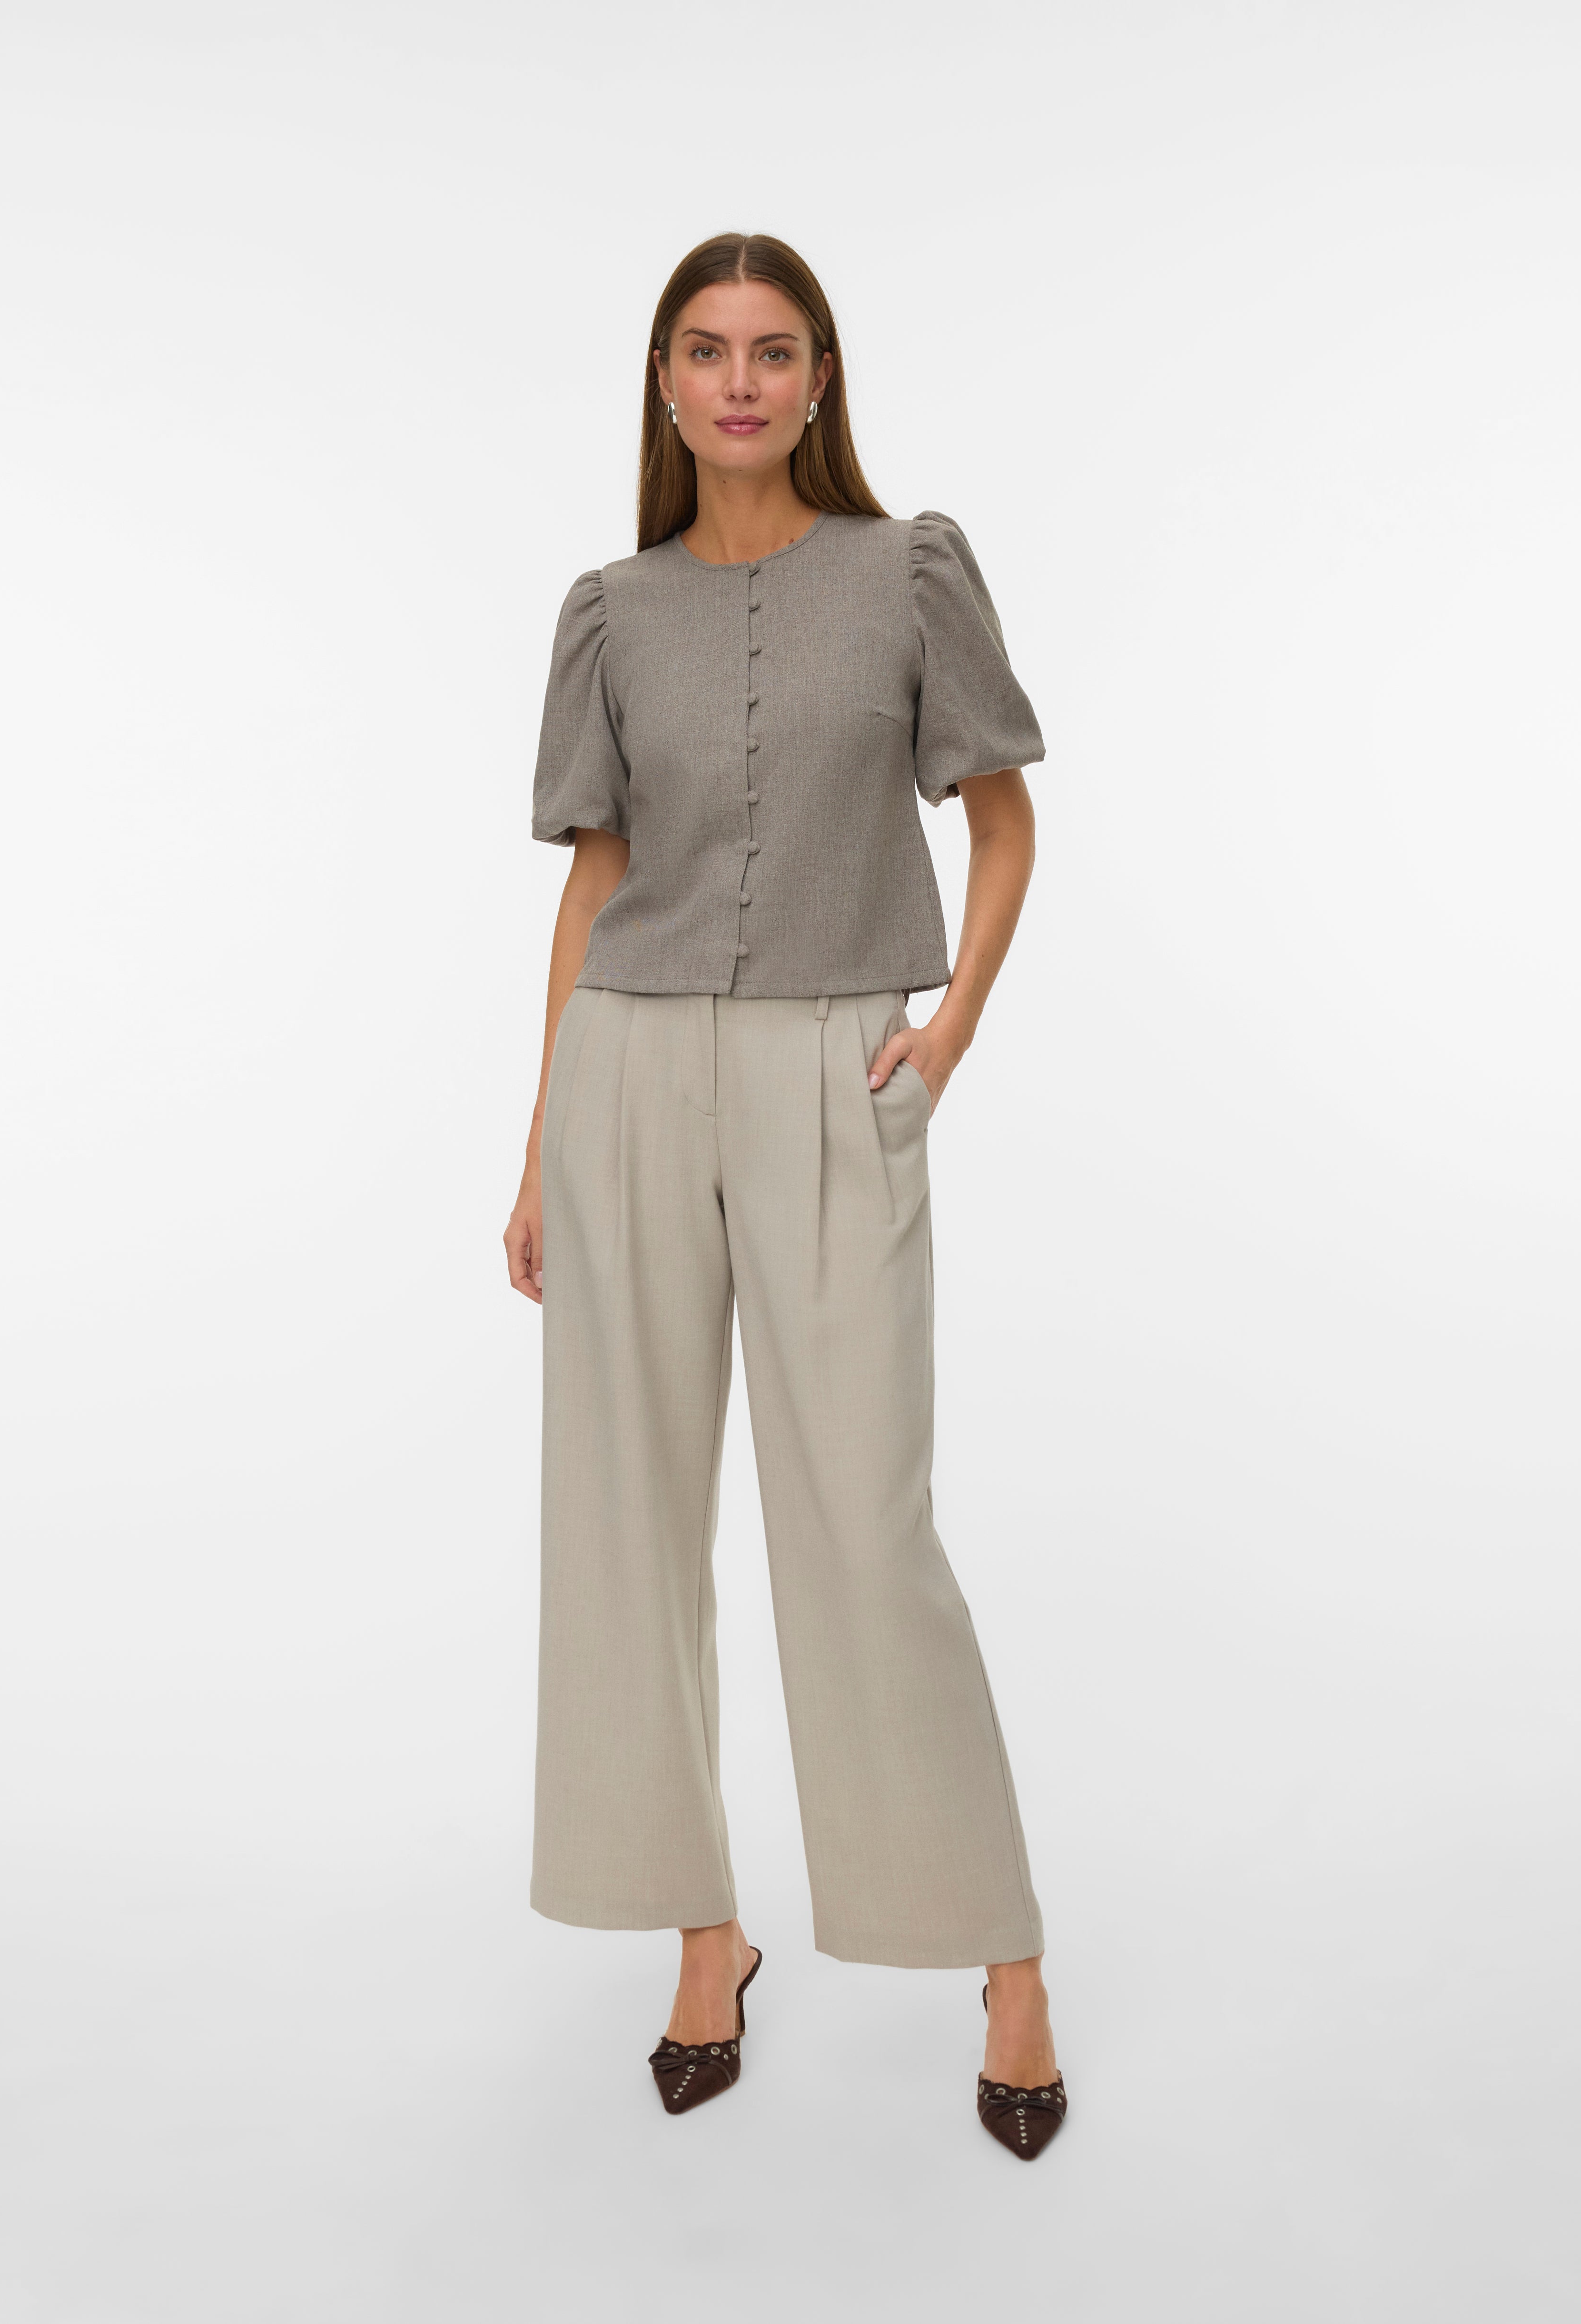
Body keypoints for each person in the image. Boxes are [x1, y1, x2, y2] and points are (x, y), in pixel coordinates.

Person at [504, 232, 1065, 2159]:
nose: (737, 382)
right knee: (625, 1522)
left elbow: (1002, 814)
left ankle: (1002, 1956)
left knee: (864, 1525)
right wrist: (539, 1141)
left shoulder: (909, 571)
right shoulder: (610, 611)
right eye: (704, 351)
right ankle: (704, 1936)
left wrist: (951, 1028)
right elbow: (596, 879)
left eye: (772, 350)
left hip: (840, 1063)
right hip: (628, 1074)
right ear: (664, 387)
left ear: (821, 377)